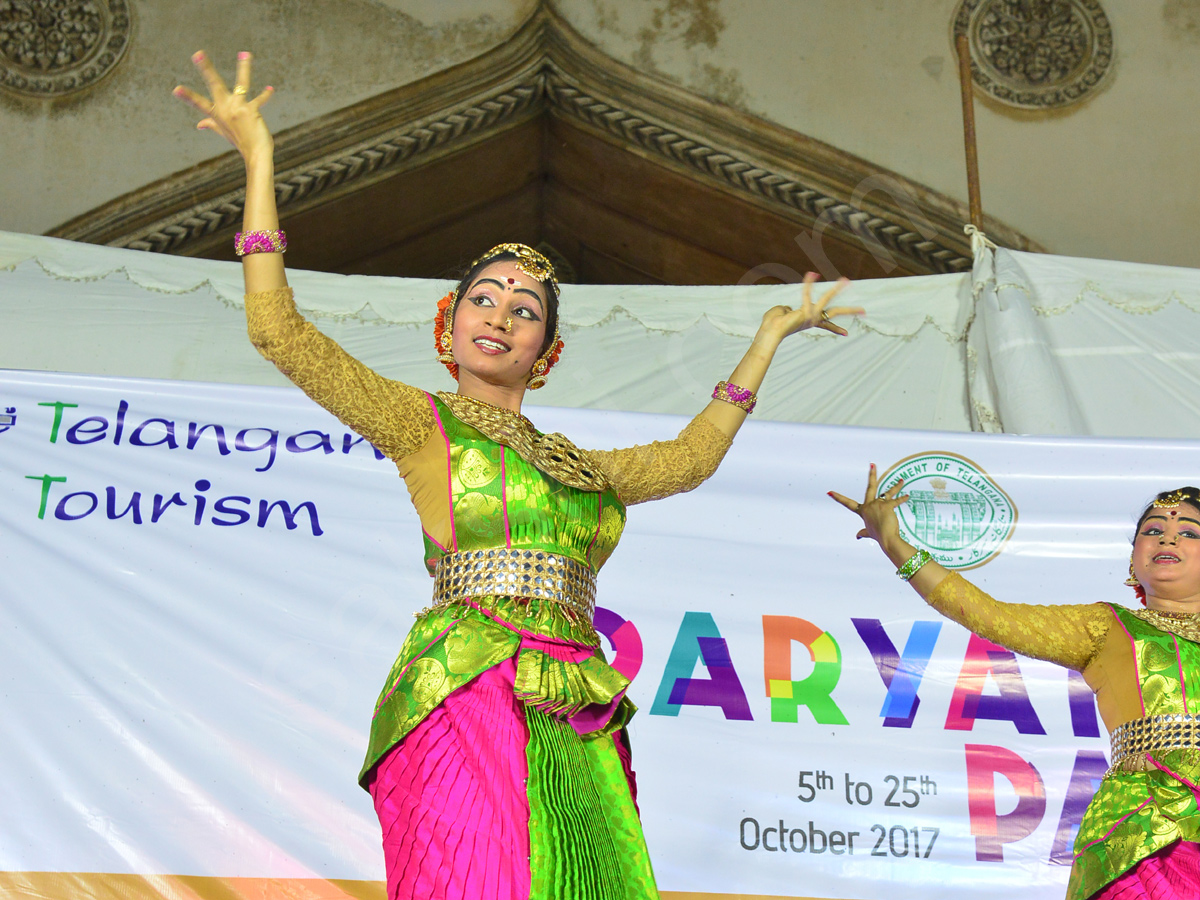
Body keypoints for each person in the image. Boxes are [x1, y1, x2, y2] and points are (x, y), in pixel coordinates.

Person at [173, 51, 862, 900]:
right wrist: (261, 164)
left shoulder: (581, 469)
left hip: (575, 697)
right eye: (485, 298)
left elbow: (690, 460)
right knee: (482, 877)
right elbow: (278, 330)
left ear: (547, 353)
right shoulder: (418, 422)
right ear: (450, 322)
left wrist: (765, 342)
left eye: (525, 309)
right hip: (463, 688)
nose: (501, 313)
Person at [831, 469, 1200, 900]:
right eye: (1153, 530)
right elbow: (986, 613)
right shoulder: (1104, 627)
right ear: (1133, 559)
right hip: (1148, 833)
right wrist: (895, 544)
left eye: (1189, 532)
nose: (1167, 539)